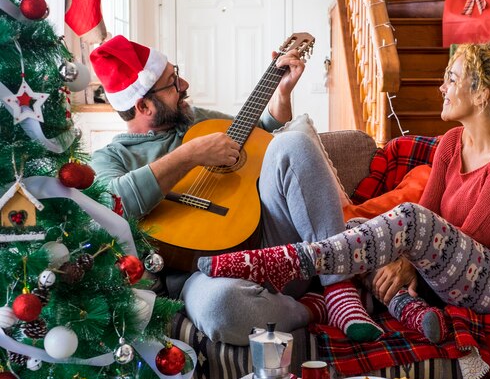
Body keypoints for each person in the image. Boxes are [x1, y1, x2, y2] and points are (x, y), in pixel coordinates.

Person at [196, 40, 490, 344]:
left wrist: (404, 260)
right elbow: (432, 212)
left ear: (483, 93)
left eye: (452, 79)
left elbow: (470, 239)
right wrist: (395, 261)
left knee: (407, 221)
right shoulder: (454, 142)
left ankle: (291, 261)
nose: (442, 87)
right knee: (386, 240)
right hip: (449, 272)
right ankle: (398, 306)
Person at [88, 35, 383, 345]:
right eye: (172, 83)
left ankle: (338, 287)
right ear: (144, 106)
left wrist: (281, 93)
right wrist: (190, 155)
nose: (184, 84)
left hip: (272, 245)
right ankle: (314, 309)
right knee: (221, 309)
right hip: (199, 273)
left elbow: (265, 136)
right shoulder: (111, 157)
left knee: (293, 142)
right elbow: (110, 204)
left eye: (176, 74)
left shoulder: (196, 118)